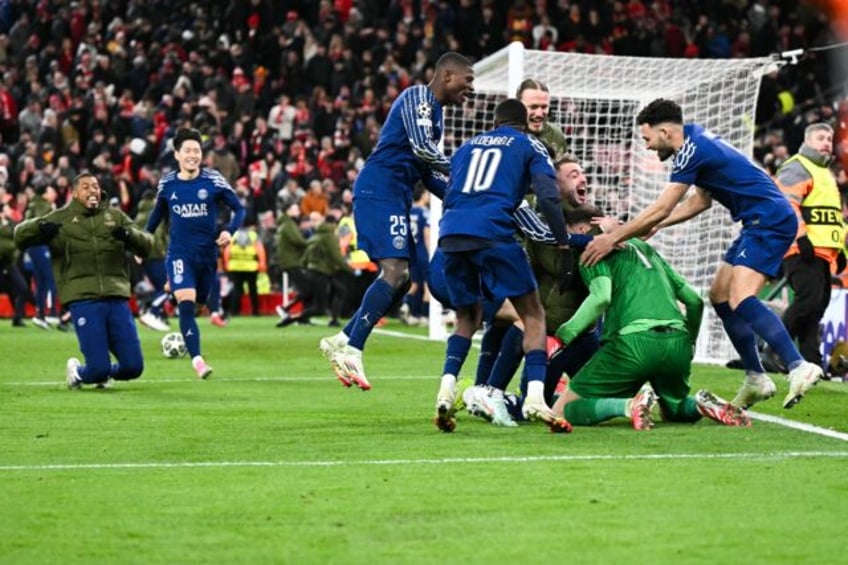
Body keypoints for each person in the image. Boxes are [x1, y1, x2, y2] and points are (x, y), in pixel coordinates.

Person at [582, 98, 823, 410]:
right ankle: (755, 376)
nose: (649, 147)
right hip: (755, 221)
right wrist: (657, 226)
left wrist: (612, 238)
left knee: (741, 298)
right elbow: (699, 202)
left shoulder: (691, 153)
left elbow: (663, 205)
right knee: (720, 296)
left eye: (648, 139)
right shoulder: (696, 140)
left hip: (770, 219)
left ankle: (797, 365)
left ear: (665, 132)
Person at [319, 52, 475, 391]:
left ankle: (342, 338)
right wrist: (467, 171)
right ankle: (353, 348)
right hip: (380, 190)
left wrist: (463, 199)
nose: (471, 89)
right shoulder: (418, 98)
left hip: (394, 195)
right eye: (468, 80)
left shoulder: (436, 116)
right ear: (447, 75)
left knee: (402, 281)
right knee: (396, 272)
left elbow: (426, 171)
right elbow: (422, 150)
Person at [433, 98, 573, 432]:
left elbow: (450, 192)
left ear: (495, 123)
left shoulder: (466, 148)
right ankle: (536, 397)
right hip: (494, 233)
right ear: (523, 122)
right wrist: (564, 243)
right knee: (533, 314)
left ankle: (446, 388)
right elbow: (548, 195)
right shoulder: (530, 145)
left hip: (451, 235)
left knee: (467, 317)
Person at [551, 205, 750, 429]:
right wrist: (690, 341)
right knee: (673, 410)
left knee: (565, 410)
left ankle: (628, 405)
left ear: (581, 228)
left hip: (632, 344)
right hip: (677, 341)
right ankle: (702, 405)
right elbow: (694, 300)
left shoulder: (593, 251)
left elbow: (601, 298)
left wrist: (562, 336)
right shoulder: (646, 249)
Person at [13, 172, 154, 388]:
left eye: (96, 186)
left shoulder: (115, 217)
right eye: (86, 187)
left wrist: (129, 236)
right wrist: (39, 228)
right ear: (75, 193)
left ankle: (105, 373)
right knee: (97, 370)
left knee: (133, 368)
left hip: (116, 297)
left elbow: (147, 244)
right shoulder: (60, 218)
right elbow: (19, 235)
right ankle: (78, 373)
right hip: (83, 298)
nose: (93, 191)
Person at [145, 127, 245, 379]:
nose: (193, 155)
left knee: (198, 304)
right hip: (179, 254)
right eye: (187, 150)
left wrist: (229, 231)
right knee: (187, 305)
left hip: (207, 257)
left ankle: (169, 296)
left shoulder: (213, 180)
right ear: (176, 154)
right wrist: (142, 242)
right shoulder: (167, 183)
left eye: (196, 150)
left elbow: (239, 209)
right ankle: (198, 360)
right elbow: (156, 215)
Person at [775, 123, 844, 373]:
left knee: (816, 307)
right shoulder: (798, 166)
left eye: (829, 138)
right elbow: (785, 205)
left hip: (824, 252)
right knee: (808, 301)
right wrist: (800, 237)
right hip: (803, 249)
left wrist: (842, 252)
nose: (826, 142)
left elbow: (833, 217)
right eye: (820, 138)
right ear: (807, 140)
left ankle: (811, 362)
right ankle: (774, 350)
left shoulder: (825, 172)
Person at [278, 214, 352, 328]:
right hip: (322, 273)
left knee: (340, 291)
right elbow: (336, 256)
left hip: (314, 271)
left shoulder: (315, 236)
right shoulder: (329, 237)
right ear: (334, 225)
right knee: (320, 308)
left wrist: (305, 267)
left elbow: (305, 257)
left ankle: (334, 319)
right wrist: (350, 270)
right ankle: (292, 318)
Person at [22, 182, 60, 329]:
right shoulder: (43, 206)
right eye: (51, 191)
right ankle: (51, 313)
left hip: (33, 246)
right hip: (40, 246)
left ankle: (40, 315)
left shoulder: (33, 204)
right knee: (51, 278)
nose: (54, 194)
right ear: (44, 194)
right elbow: (44, 225)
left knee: (41, 281)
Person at [134, 188, 170, 332]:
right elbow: (158, 235)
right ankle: (151, 311)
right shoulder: (154, 214)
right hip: (156, 255)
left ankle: (160, 317)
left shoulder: (138, 216)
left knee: (159, 288)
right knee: (167, 288)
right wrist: (164, 251)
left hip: (144, 257)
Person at [223, 223, 267, 316]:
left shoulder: (233, 235)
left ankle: (234, 311)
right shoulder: (253, 235)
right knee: (253, 290)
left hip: (235, 266)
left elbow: (227, 250)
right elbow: (260, 249)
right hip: (251, 266)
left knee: (237, 290)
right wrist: (262, 263)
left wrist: (226, 263)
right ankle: (255, 311)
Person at [0, 201, 31, 327]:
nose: (10, 211)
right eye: (7, 209)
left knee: (22, 288)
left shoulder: (12, 224)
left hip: (9, 263)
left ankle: (17, 317)